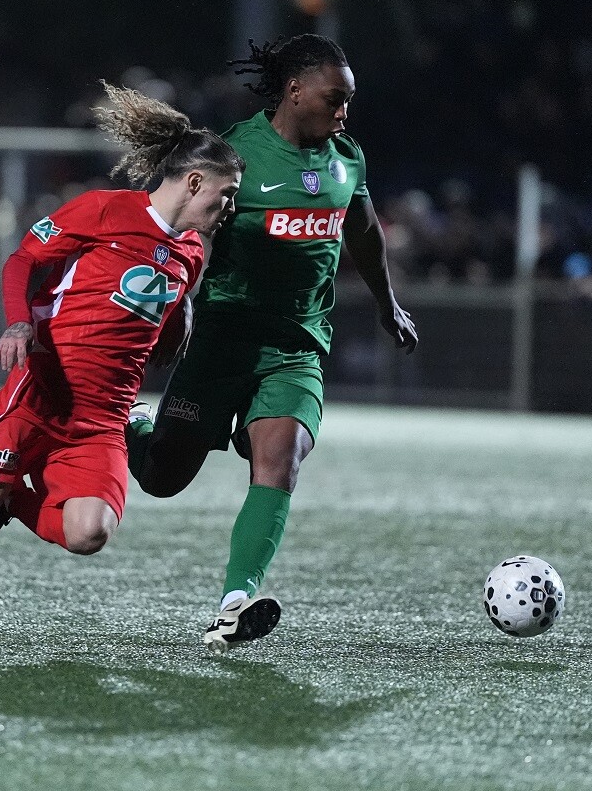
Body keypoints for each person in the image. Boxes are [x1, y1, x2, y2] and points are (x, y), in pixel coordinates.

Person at [0, 82, 243, 650]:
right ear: (194, 182)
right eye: (227, 193)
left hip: (101, 419)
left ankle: (16, 497)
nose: (230, 207)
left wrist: (182, 314)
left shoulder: (190, 253)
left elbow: (158, 312)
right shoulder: (102, 210)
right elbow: (22, 261)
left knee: (90, 533)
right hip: (41, 396)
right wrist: (18, 323)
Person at [126, 35, 418, 652]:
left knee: (280, 463)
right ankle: (141, 428)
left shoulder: (347, 159)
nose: (344, 112)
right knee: (162, 479)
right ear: (293, 91)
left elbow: (364, 234)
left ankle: (235, 602)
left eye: (349, 101)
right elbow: (183, 235)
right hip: (223, 342)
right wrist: (170, 306)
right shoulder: (233, 154)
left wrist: (388, 304)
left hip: (297, 346)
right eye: (334, 98)